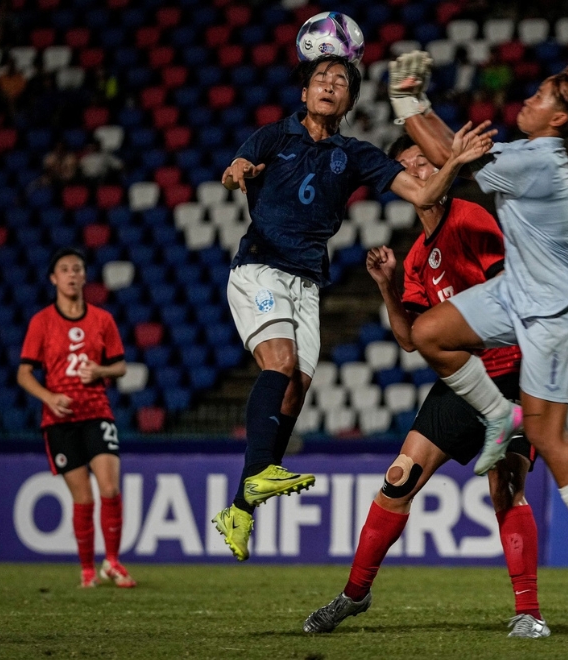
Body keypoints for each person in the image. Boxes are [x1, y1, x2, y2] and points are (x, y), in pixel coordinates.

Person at [211, 54, 494, 561]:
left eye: (340, 80)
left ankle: (239, 510)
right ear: (304, 93)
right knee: (278, 364)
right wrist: (237, 171)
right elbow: (236, 170)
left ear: (349, 100)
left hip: (307, 282)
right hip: (260, 266)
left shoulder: (357, 154)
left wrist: (453, 161)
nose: (328, 84)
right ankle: (257, 476)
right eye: (320, 78)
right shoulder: (273, 137)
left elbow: (427, 191)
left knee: (294, 394)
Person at [387, 52, 568, 612]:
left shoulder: (542, 162)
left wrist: (407, 102)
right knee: (429, 331)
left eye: (542, 96)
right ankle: (498, 414)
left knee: (549, 437)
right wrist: (415, 107)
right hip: (515, 292)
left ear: (559, 120)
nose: (528, 99)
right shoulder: (530, 151)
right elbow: (456, 154)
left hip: (553, 308)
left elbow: (453, 157)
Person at [305, 135, 547, 638]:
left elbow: (513, 298)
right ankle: (355, 594)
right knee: (398, 479)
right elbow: (409, 340)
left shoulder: (471, 219)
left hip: (507, 373)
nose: (417, 171)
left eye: (424, 162)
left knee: (507, 487)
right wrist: (388, 286)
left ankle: (529, 612)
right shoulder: (415, 256)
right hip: (459, 381)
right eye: (407, 167)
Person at [17, 248, 135, 588]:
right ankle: (87, 569)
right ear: (54, 278)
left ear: (84, 277)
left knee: (110, 486)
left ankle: (112, 562)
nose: (71, 274)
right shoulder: (41, 322)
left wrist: (100, 369)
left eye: (77, 269)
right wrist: (49, 397)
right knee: (83, 496)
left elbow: (121, 366)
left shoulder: (102, 320)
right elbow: (24, 374)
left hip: (96, 411)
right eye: (64, 269)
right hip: (59, 420)